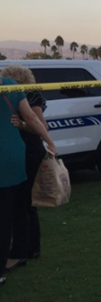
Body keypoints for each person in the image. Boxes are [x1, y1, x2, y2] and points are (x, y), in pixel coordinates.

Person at [1, 75, 57, 287]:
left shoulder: (12, 87)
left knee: (13, 212)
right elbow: (33, 120)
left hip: (11, 156)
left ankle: (14, 257)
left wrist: (48, 141)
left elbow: (34, 120)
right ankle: (18, 254)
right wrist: (50, 141)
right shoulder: (11, 86)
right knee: (15, 210)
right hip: (15, 154)